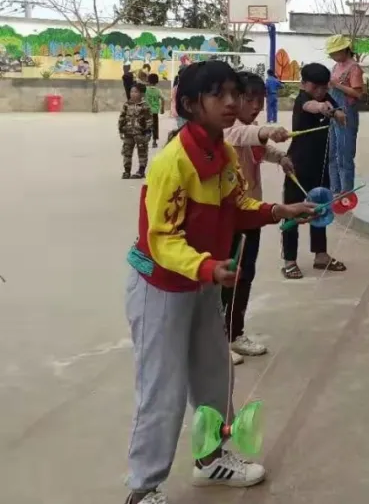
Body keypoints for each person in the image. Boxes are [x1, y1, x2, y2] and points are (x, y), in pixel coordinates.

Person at [122, 61, 314, 504]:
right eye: (218, 95)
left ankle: (211, 460)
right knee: (162, 389)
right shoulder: (172, 163)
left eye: (234, 93)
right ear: (190, 105)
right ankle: (142, 488)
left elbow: (236, 204)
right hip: (161, 288)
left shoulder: (223, 153)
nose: (232, 103)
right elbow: (162, 239)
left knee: (214, 375)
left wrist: (276, 212)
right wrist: (210, 268)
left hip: (200, 283)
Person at [222, 72, 294, 364]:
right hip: (231, 216)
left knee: (246, 273)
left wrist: (280, 157)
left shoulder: (250, 131)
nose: (255, 106)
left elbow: (259, 148)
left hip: (253, 211)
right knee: (226, 276)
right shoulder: (230, 131)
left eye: (260, 101)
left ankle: (235, 333)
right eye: (249, 100)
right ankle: (216, 341)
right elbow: (244, 136)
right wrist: (267, 130)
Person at [281, 63, 348, 279]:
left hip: (320, 165)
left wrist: (337, 112)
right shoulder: (303, 99)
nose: (321, 92)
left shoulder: (325, 97)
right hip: (297, 165)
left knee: (320, 209)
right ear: (304, 84)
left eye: (324, 88)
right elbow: (311, 106)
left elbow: (336, 108)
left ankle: (320, 255)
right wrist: (322, 108)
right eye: (316, 87)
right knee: (293, 212)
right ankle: (289, 260)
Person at [325, 35, 364, 195]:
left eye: (335, 53)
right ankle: (334, 188)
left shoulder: (354, 68)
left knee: (344, 154)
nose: (333, 56)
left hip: (347, 113)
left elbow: (358, 93)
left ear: (344, 50)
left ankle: (346, 190)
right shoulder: (335, 67)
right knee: (332, 153)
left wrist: (337, 85)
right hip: (334, 113)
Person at [119, 83, 153, 179]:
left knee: (142, 152)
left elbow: (149, 119)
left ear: (142, 94)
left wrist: (148, 132)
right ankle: (127, 171)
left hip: (141, 134)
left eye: (136, 92)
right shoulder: (126, 105)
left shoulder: (145, 106)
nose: (133, 94)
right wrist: (121, 129)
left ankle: (141, 171)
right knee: (127, 152)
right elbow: (122, 117)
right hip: (128, 132)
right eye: (131, 91)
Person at [145, 74, 163, 147]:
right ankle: (154, 142)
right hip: (155, 112)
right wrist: (162, 108)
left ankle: (146, 139)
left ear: (148, 81)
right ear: (157, 81)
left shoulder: (146, 90)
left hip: (147, 111)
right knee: (155, 126)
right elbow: (163, 99)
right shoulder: (158, 91)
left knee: (146, 125)